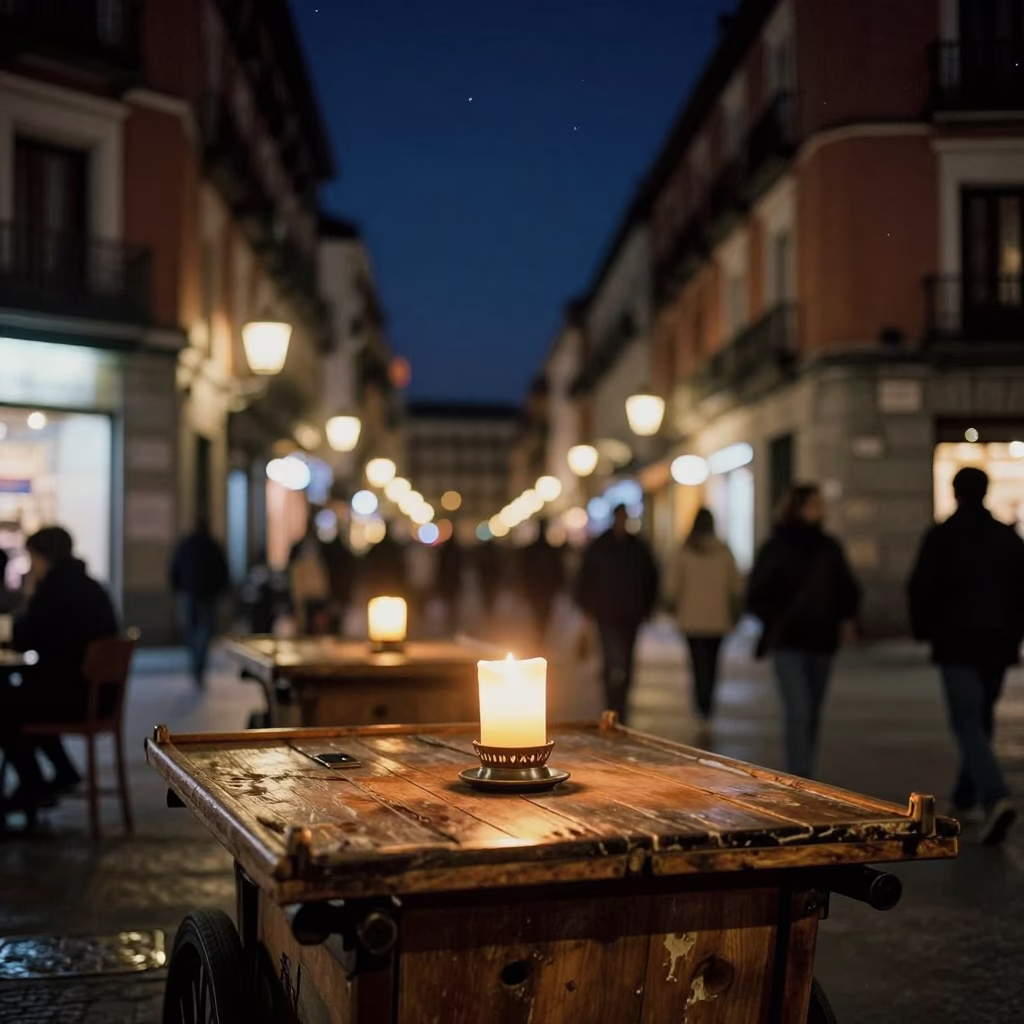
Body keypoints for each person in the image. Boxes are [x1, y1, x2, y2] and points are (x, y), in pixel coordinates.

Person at [908, 466, 1023, 845]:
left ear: (954, 492)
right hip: (999, 642)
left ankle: (995, 796)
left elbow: (920, 587)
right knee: (980, 717)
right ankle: (965, 795)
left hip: (956, 643)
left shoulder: (942, 536)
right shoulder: (1006, 537)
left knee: (966, 720)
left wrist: (924, 630)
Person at [746, 484, 860, 780]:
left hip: (822, 640)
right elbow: (756, 593)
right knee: (798, 709)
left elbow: (846, 587)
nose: (821, 510)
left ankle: (804, 766)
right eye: (815, 504)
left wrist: (846, 617)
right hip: (788, 640)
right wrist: (774, 619)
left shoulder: (828, 546)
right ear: (797, 507)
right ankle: (801, 773)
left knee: (812, 713)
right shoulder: (776, 546)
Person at [1, 527, 118, 812]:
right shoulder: (91, 585)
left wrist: (29, 595)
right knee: (19, 700)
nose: (31, 566)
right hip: (98, 696)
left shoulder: (53, 591)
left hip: (73, 698)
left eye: (33, 558)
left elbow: (24, 638)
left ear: (44, 558)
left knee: (6, 707)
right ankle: (59, 773)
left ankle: (32, 785)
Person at [575, 505, 659, 724]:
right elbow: (585, 578)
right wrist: (587, 606)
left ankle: (621, 702)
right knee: (611, 658)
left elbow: (650, 578)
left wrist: (647, 607)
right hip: (607, 612)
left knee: (627, 660)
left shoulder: (637, 547)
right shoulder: (600, 546)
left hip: (631, 614)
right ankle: (611, 702)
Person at [673, 508, 743, 731]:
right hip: (717, 618)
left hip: (691, 618)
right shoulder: (724, 551)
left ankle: (700, 705)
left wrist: (671, 604)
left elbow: (673, 584)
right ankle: (708, 704)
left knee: (696, 662)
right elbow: (736, 584)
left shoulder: (685, 551)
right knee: (712, 663)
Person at [170, 516, 229, 687]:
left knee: (192, 629)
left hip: (191, 594)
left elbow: (175, 568)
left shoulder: (187, 545)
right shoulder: (212, 545)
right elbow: (222, 570)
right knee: (203, 630)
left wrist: (178, 588)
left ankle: (196, 662)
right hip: (207, 595)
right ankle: (198, 663)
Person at [520, 522, 566, 646]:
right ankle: (540, 635)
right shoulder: (548, 550)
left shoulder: (535, 550)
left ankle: (540, 635)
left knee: (540, 614)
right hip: (542, 589)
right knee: (542, 614)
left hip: (540, 589)